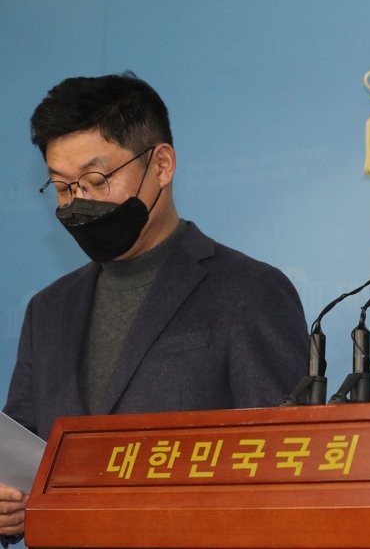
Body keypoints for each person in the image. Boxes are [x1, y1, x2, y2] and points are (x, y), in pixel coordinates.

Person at [0, 73, 308, 545]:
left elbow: (286, 470)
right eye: (62, 187)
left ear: (161, 165)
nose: (78, 202)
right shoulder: (47, 310)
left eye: (95, 179)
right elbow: (19, 456)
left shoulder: (249, 291)